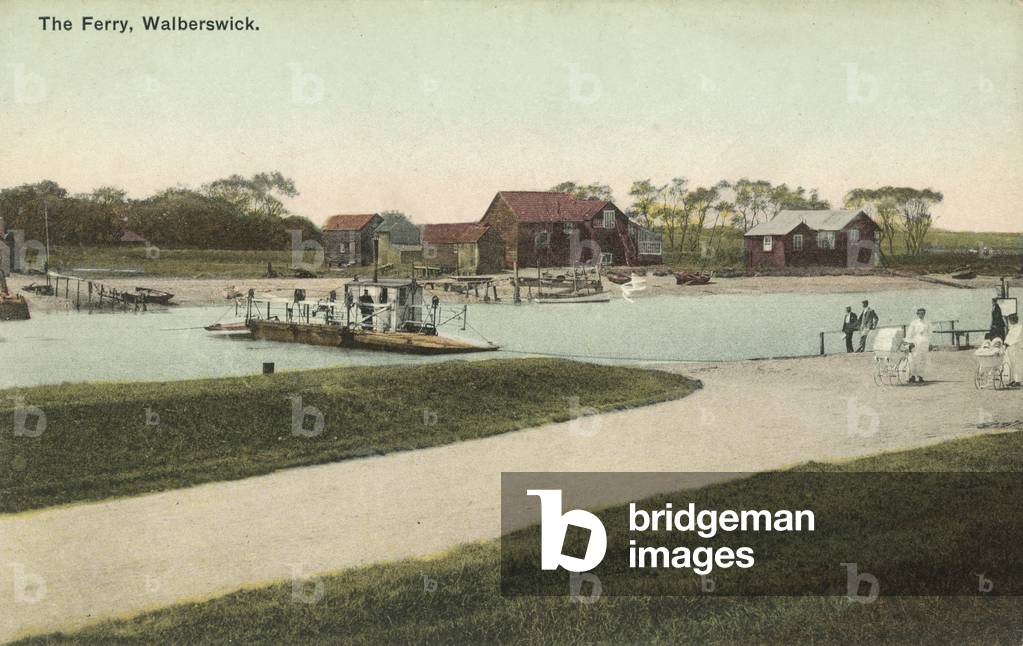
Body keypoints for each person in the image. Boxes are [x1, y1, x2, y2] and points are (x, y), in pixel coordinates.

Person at [905, 307, 932, 383]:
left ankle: (920, 376)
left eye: (923, 313)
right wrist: (909, 342)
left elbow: (930, 334)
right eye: (919, 313)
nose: (921, 315)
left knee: (923, 360)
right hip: (916, 343)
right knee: (913, 360)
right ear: (917, 314)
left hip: (925, 343)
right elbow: (909, 333)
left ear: (924, 314)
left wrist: (930, 343)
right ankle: (912, 376)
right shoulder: (914, 323)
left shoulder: (927, 322)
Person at [1005, 314, 1022, 387]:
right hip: (1010, 348)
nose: (1009, 322)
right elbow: (1008, 336)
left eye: (1010, 320)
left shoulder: (1020, 327)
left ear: (1013, 320)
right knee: (1010, 364)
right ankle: (1012, 380)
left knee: (1017, 364)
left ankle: (1018, 381)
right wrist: (1006, 342)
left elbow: (1017, 337)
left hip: (1016, 347)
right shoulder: (1012, 328)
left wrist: (1009, 342)